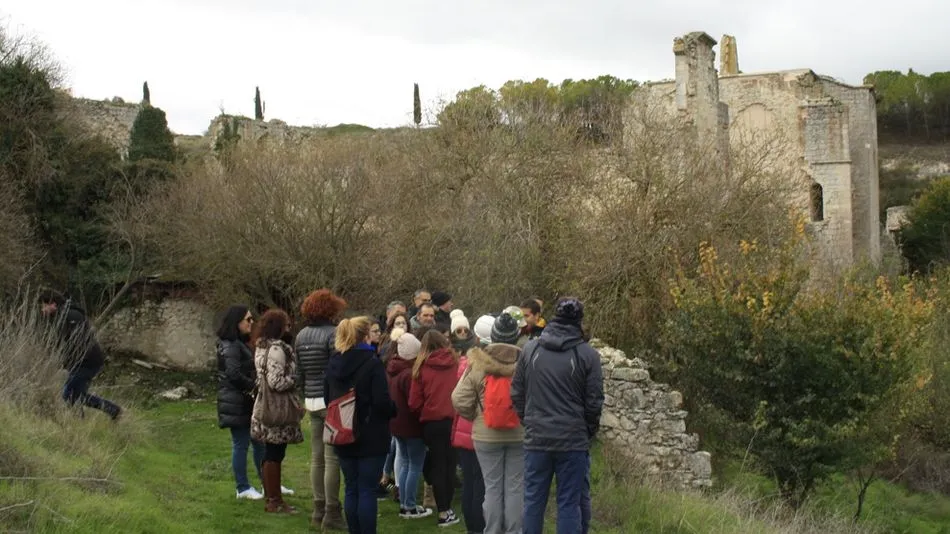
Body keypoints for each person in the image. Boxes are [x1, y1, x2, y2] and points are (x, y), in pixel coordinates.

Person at [511, 297, 604, 534]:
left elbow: (517, 392)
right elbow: (594, 402)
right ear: (579, 321)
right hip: (572, 440)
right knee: (568, 504)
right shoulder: (588, 355)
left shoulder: (530, 349)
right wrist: (587, 431)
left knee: (533, 501)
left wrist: (528, 420)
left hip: (537, 438)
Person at [453, 313, 525, 534]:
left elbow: (458, 399)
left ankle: (492, 530)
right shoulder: (526, 363)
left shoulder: (478, 363)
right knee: (515, 489)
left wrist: (477, 415)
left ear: (492, 336)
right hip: (519, 434)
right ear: (516, 337)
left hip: (486, 435)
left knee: (492, 489)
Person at [325, 316, 397, 534]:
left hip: (343, 431)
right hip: (370, 432)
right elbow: (382, 401)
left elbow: (327, 397)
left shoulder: (333, 363)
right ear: (365, 336)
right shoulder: (372, 364)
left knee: (351, 488)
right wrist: (394, 410)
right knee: (367, 490)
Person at [294, 289, 347, 529]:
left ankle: (318, 509)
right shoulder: (333, 334)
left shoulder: (301, 335)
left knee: (316, 458)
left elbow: (299, 373)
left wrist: (305, 393)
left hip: (311, 399)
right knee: (332, 458)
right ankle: (332, 512)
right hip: (329, 400)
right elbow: (337, 371)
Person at [250, 308, 304, 515]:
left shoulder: (261, 347)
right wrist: (295, 379)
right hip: (277, 408)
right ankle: (274, 500)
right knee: (275, 452)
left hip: (264, 404)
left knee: (271, 452)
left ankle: (272, 496)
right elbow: (276, 381)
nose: (289, 329)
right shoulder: (276, 349)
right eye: (286, 325)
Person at [39, 290, 121, 420]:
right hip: (78, 362)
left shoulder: (72, 315)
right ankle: (111, 411)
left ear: (53, 304)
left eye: (44, 306)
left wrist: (70, 359)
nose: (42, 309)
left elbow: (79, 341)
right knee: (76, 395)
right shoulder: (58, 318)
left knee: (69, 394)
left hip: (88, 361)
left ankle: (107, 412)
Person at [409, 330, 461, 527]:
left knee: (438, 465)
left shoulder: (420, 368)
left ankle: (443, 509)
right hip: (453, 419)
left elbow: (414, 402)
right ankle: (447, 508)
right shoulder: (456, 363)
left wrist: (426, 410)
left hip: (431, 422)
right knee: (450, 464)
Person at [216, 305, 266, 500]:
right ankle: (242, 488)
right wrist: (254, 386)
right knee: (241, 443)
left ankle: (268, 483)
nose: (251, 323)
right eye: (248, 319)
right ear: (236, 322)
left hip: (244, 401)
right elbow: (233, 373)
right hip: (236, 402)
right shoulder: (230, 345)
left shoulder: (239, 343)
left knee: (259, 442)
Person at [386, 328, 432, 519]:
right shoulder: (409, 375)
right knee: (414, 465)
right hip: (411, 426)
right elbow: (414, 403)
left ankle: (405, 504)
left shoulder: (392, 369)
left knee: (405, 463)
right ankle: (410, 505)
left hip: (396, 425)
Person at [449, 312, 487, 534]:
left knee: (470, 483)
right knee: (479, 484)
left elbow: (457, 399)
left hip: (462, 432)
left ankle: (471, 527)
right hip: (477, 431)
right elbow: (459, 399)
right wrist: (474, 415)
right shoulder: (472, 366)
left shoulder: (461, 365)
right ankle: (478, 527)